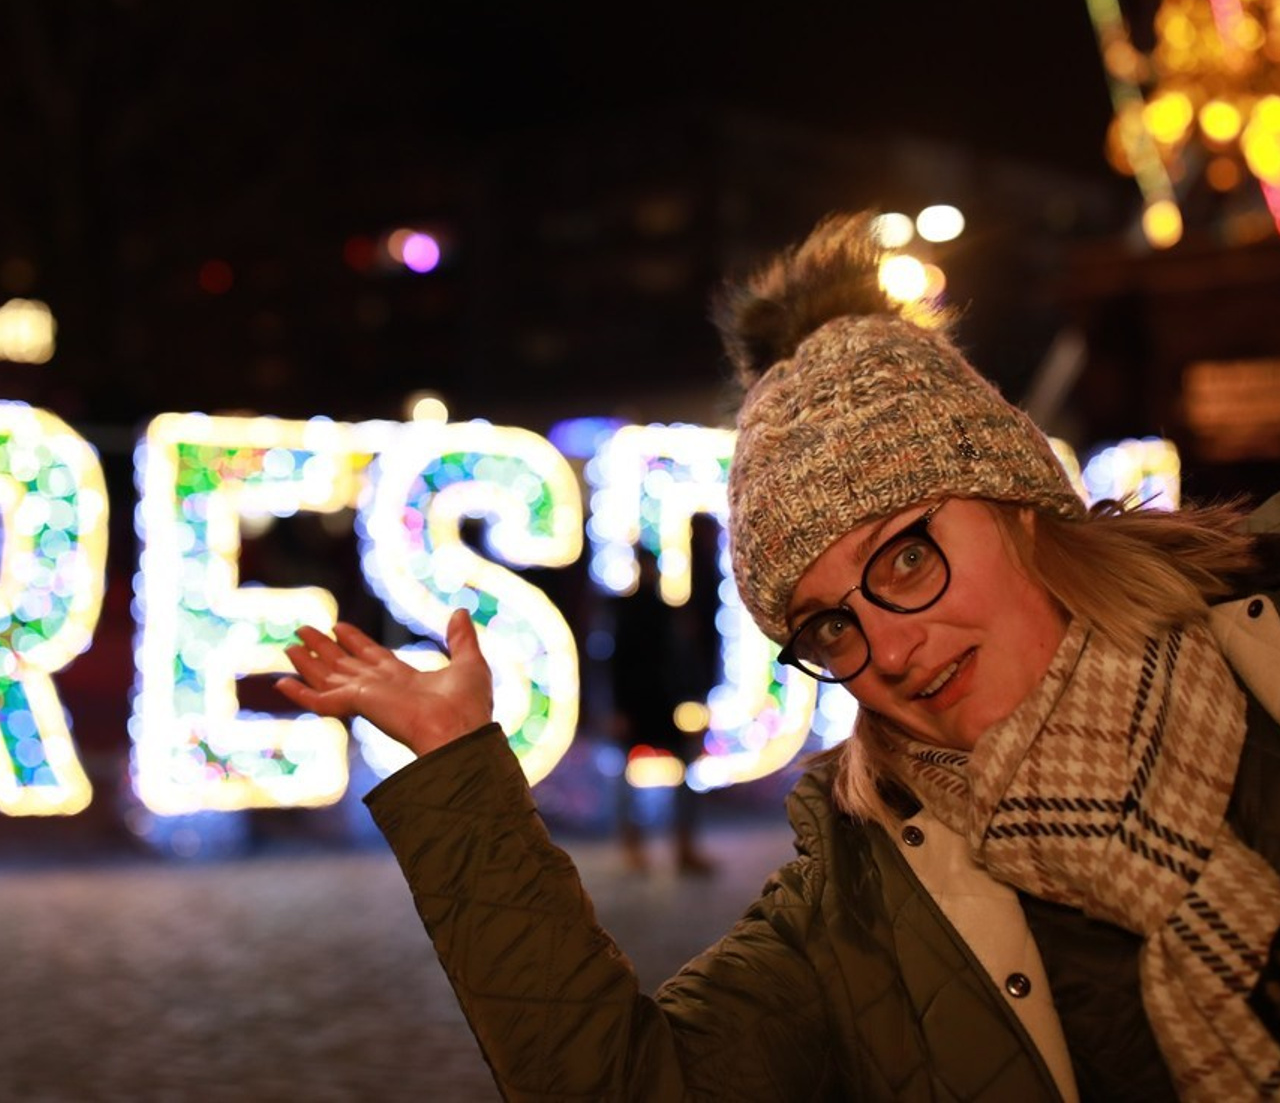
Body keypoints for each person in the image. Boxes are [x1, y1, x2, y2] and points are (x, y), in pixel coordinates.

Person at [280, 212, 1280, 1101]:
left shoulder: (1261, 654)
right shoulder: (852, 908)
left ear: (1020, 506)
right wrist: (462, 778)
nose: (885, 644)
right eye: (828, 624)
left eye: (903, 554)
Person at [607, 544, 716, 875]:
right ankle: (635, 846)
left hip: (665, 703)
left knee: (682, 774)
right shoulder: (628, 612)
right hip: (641, 704)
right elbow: (617, 663)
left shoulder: (667, 611)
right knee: (630, 779)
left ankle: (682, 847)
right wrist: (618, 708)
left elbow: (681, 658)